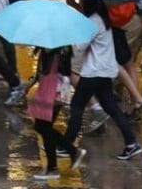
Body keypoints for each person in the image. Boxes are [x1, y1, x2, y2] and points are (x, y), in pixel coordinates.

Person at [64, 0, 142, 163]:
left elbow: (79, 47)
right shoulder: (103, 18)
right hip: (105, 71)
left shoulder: (93, 21)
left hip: (93, 72)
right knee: (112, 108)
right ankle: (131, 143)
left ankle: (66, 145)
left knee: (77, 106)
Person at [30, 46, 82, 181]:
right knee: (43, 127)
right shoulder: (60, 47)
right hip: (53, 87)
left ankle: (65, 156)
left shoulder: (53, 48)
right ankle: (62, 159)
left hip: (52, 89)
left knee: (43, 127)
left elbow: (50, 69)